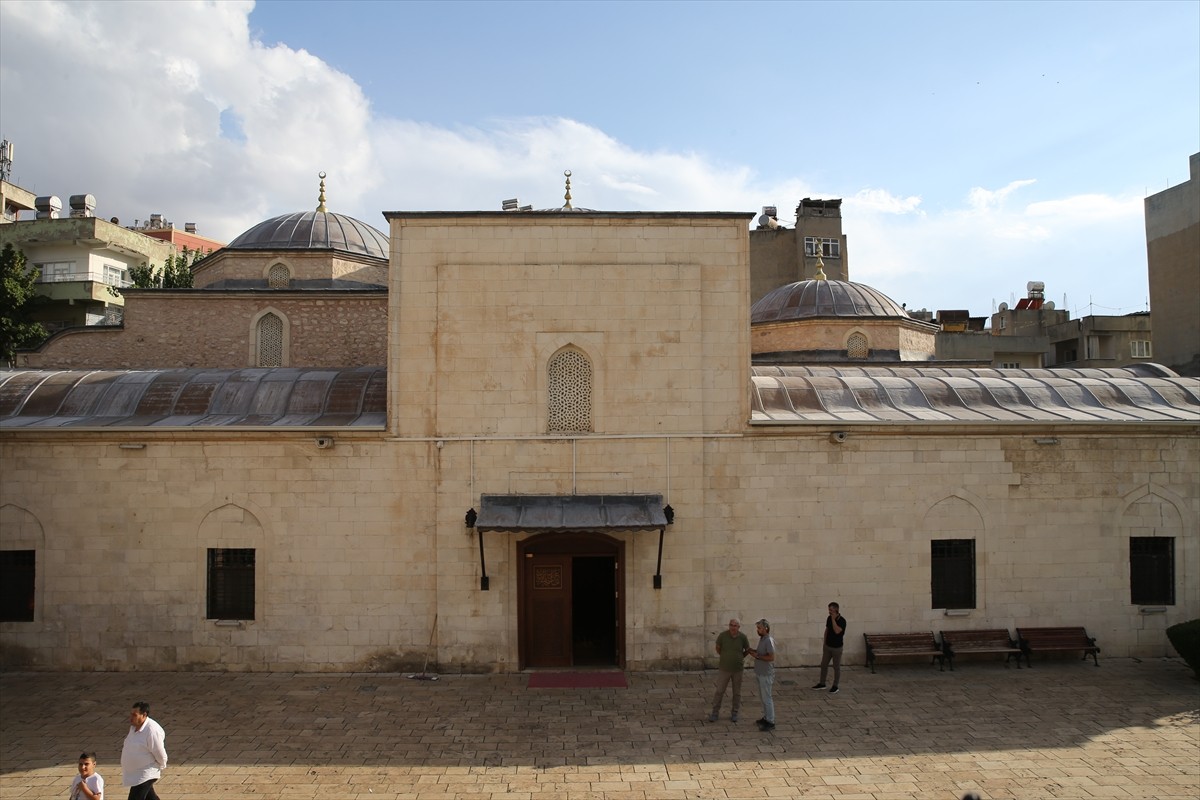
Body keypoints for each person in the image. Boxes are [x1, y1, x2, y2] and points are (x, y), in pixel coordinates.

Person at [121, 702, 167, 800]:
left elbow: (159, 752)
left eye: (134, 715)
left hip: (145, 773)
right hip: (136, 773)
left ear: (144, 715)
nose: (131, 717)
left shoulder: (151, 731)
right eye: (131, 714)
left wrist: (161, 765)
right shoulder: (134, 727)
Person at [707, 618, 750, 722]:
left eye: (735, 625)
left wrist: (739, 657)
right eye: (731, 625)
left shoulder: (743, 637)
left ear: (738, 627)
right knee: (719, 691)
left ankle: (735, 713)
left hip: (737, 669)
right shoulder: (723, 636)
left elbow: (747, 650)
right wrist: (725, 656)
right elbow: (718, 648)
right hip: (724, 669)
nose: (732, 627)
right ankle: (715, 713)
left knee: (737, 692)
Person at [812, 601, 846, 694]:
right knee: (823, 665)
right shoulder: (829, 618)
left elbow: (837, 631)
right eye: (829, 610)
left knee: (836, 667)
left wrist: (834, 619)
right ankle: (822, 683)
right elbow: (827, 630)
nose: (829, 612)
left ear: (836, 610)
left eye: (831, 610)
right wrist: (824, 642)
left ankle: (835, 686)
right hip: (828, 646)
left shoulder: (842, 621)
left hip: (837, 648)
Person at [750, 618, 776, 731]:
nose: (758, 630)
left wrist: (758, 656)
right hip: (760, 672)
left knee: (767, 698)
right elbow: (761, 652)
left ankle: (770, 721)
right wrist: (752, 651)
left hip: (766, 674)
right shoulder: (762, 639)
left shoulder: (768, 640)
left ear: (765, 628)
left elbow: (771, 657)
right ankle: (766, 717)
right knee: (763, 697)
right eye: (757, 628)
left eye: (759, 628)